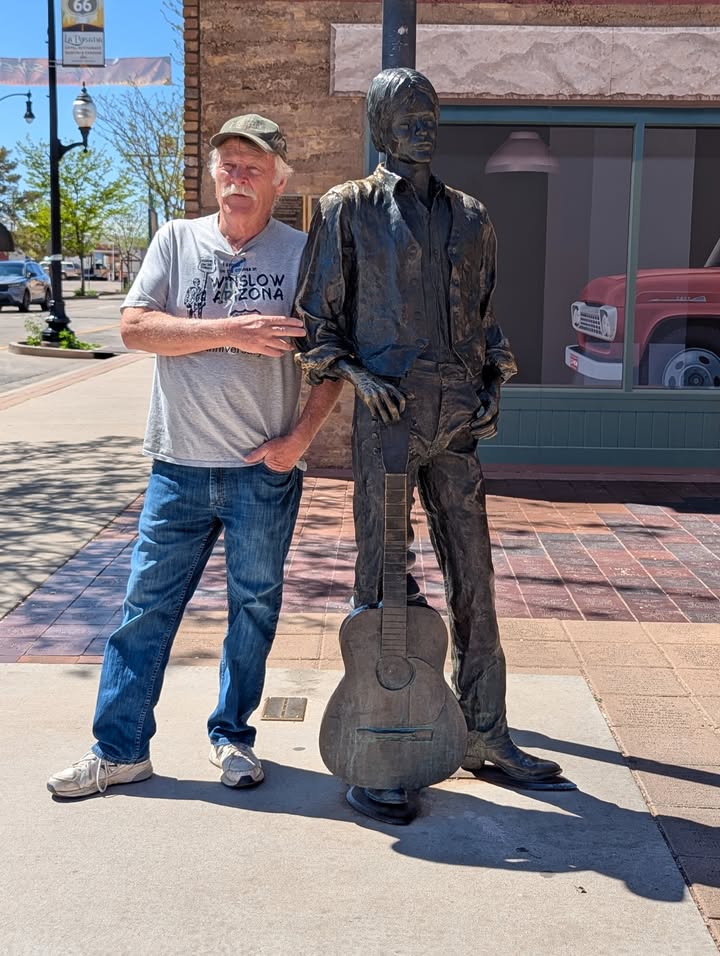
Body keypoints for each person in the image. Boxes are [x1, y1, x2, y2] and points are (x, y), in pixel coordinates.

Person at [48, 114, 342, 799]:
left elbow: (334, 360)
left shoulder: (302, 255)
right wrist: (230, 333)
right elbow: (135, 328)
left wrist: (299, 440)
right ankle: (119, 750)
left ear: (278, 179)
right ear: (212, 174)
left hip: (262, 473)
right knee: (143, 612)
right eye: (227, 165)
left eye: (252, 166)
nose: (237, 177)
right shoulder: (175, 242)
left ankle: (232, 737)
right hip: (176, 466)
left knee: (254, 609)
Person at [295, 69, 563, 796]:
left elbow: (486, 320)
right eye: (407, 112)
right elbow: (315, 328)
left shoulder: (473, 215)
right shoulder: (345, 209)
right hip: (388, 418)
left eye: (431, 111)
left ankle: (485, 731)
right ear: (380, 123)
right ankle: (380, 746)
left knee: (476, 579)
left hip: (457, 422)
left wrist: (493, 386)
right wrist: (360, 375)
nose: (422, 123)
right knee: (382, 578)